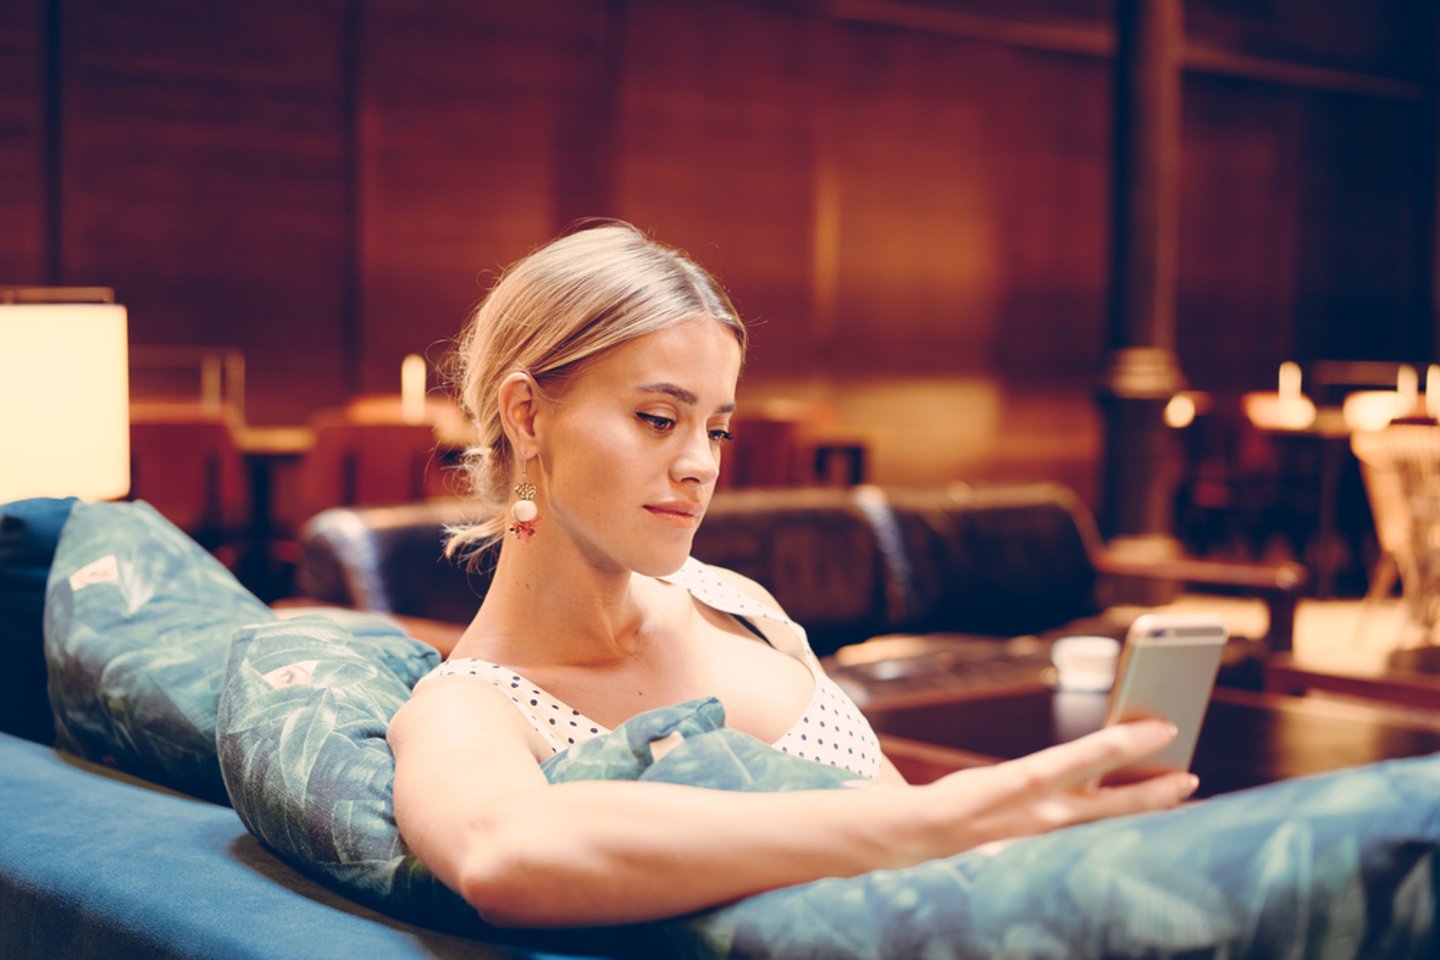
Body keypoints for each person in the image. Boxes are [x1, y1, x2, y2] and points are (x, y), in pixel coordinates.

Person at [386, 223, 1197, 928]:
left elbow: (917, 837)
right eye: (659, 420)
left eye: (718, 430)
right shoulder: (466, 706)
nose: (700, 464)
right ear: (528, 416)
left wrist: (1006, 832)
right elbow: (503, 853)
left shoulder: (735, 603)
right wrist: (938, 816)